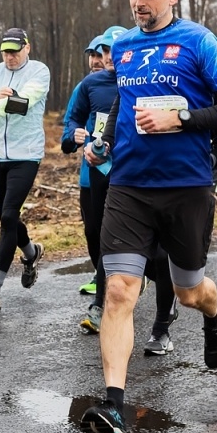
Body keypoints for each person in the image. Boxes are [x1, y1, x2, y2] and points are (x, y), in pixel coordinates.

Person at [81, 0, 217, 433]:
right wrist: (101, 141)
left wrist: (183, 120)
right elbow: (119, 104)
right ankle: (112, 406)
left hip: (187, 185)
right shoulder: (124, 47)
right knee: (119, 290)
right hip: (129, 185)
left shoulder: (199, 42)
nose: (139, 2)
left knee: (191, 290)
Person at [0, 27, 51, 311]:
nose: (10, 56)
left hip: (25, 154)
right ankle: (31, 253)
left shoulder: (40, 71)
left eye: (15, 51)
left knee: (7, 216)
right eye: (5, 51)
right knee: (8, 216)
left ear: (27, 48)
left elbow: (23, 104)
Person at [64, 31, 119, 333]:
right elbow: (71, 122)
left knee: (115, 235)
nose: (102, 58)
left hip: (129, 174)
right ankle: (106, 279)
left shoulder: (137, 81)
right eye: (99, 52)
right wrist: (73, 135)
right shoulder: (88, 85)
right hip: (92, 173)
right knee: (93, 231)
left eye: (108, 51)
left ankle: (104, 297)